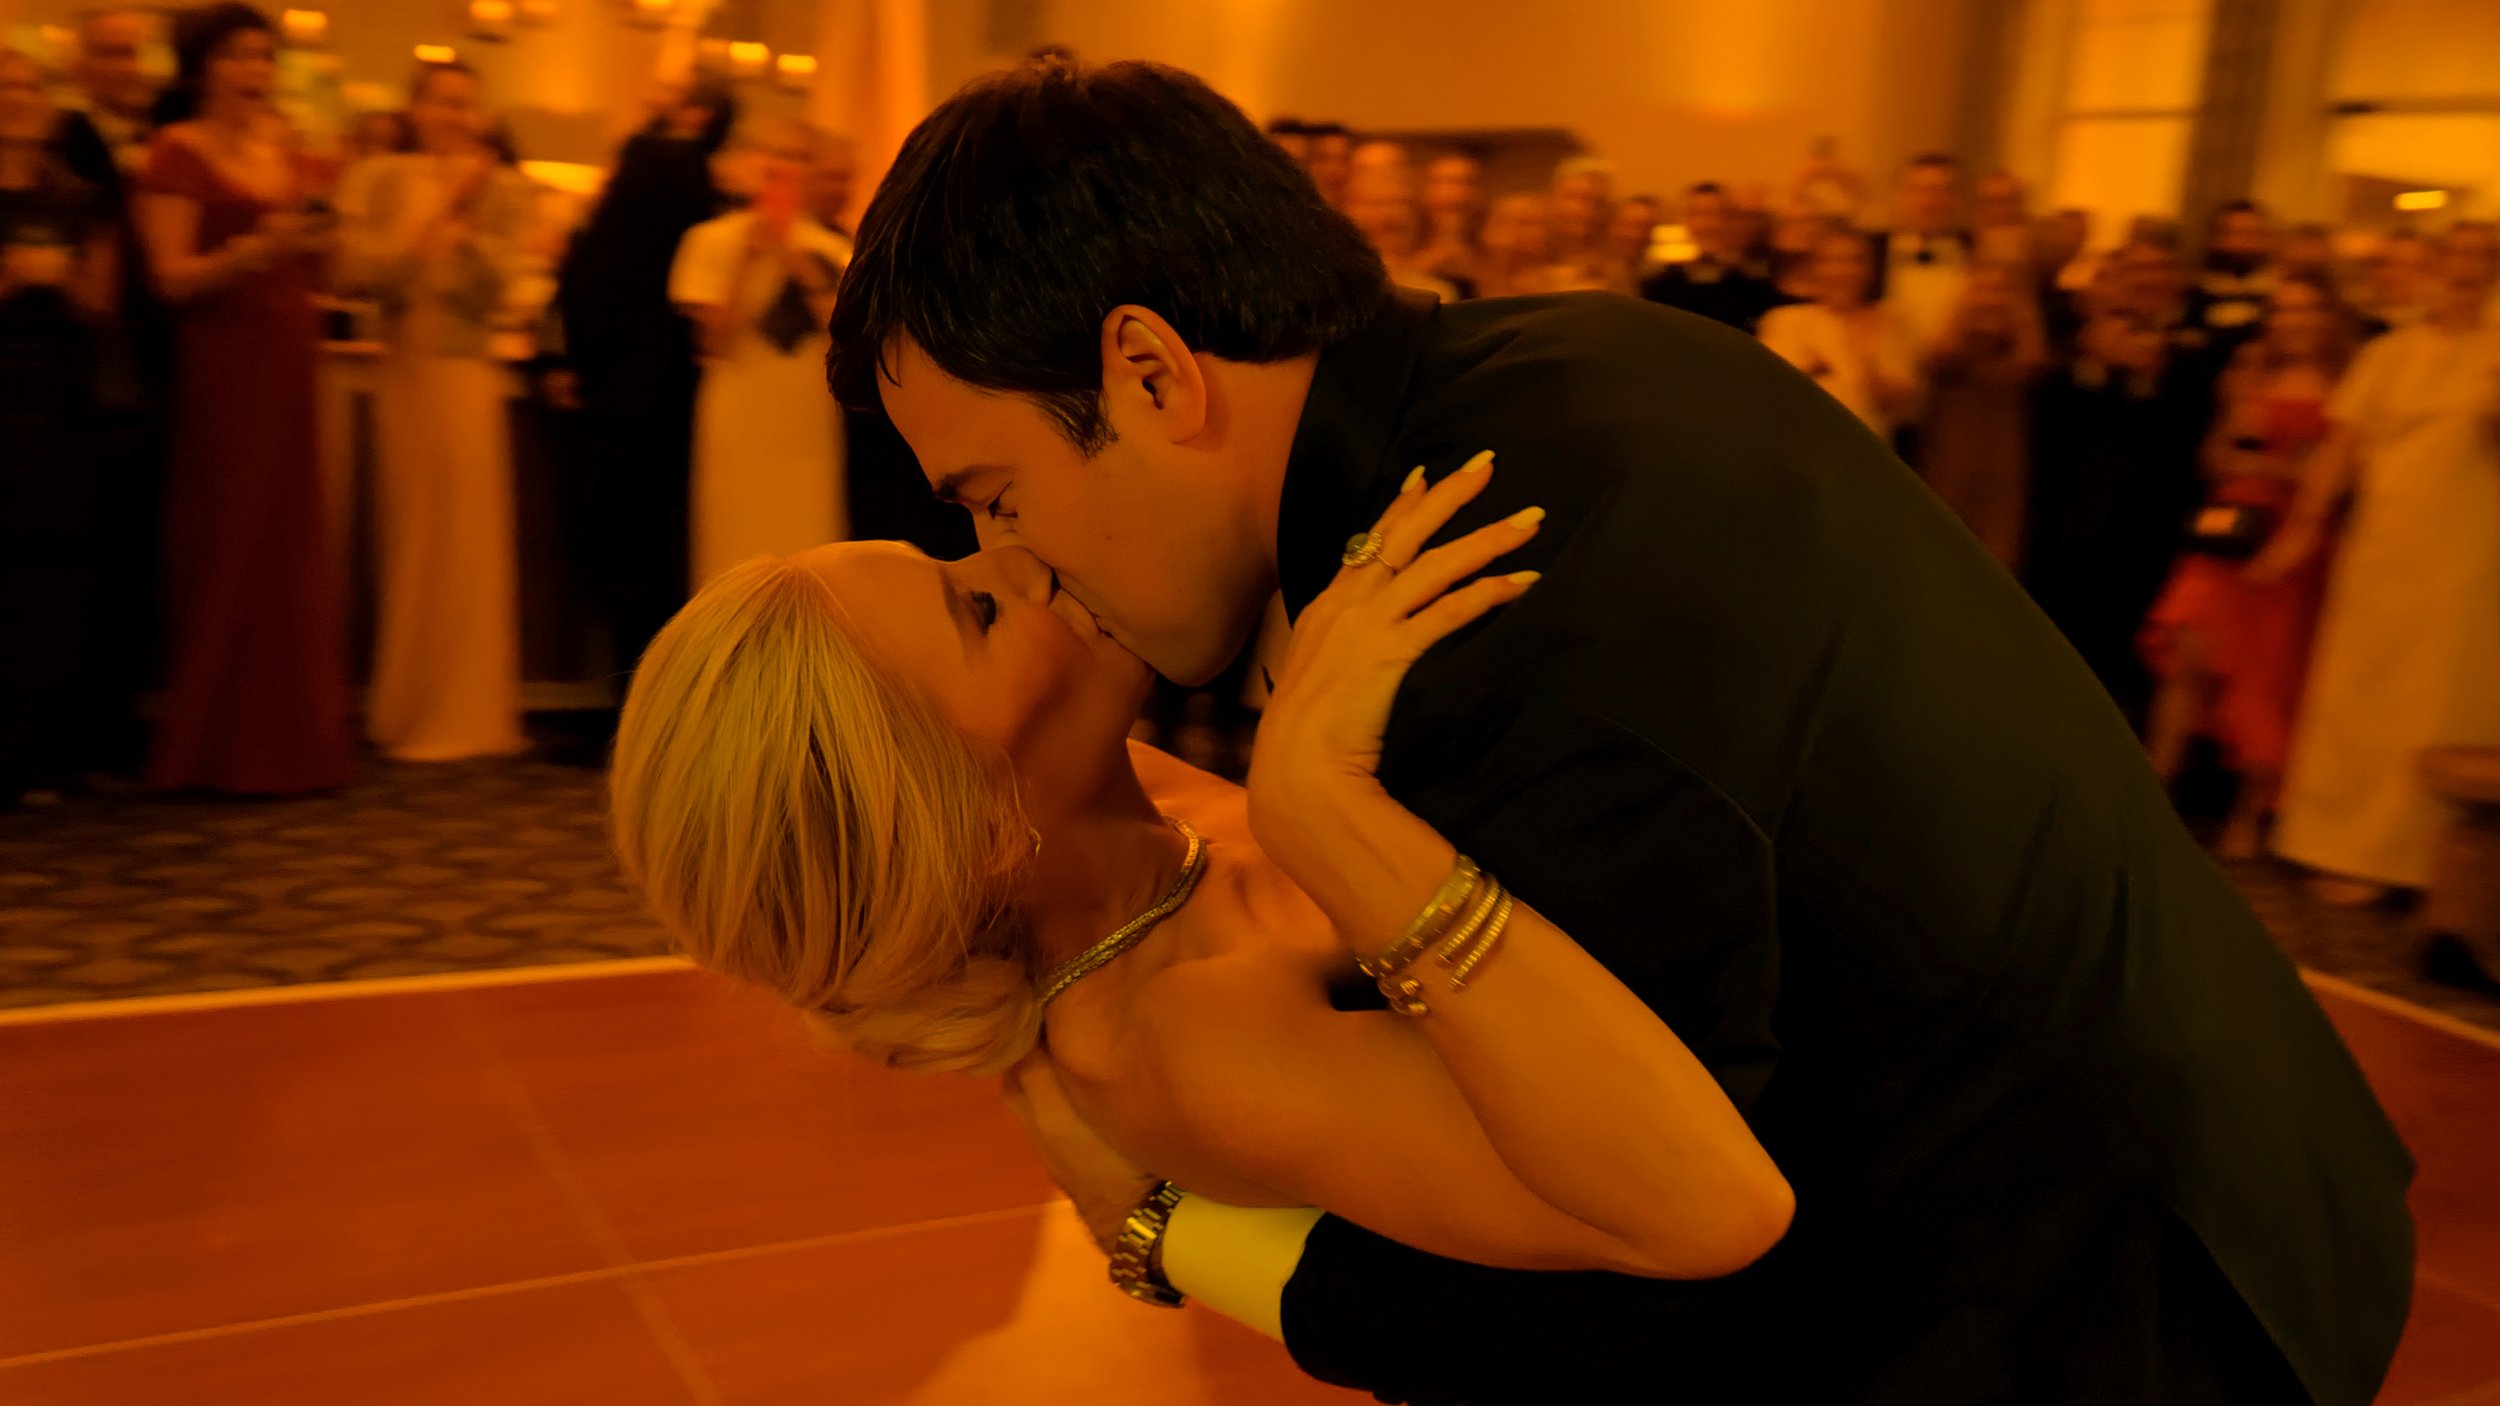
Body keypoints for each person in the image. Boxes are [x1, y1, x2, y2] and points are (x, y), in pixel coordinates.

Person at [818, 60, 2412, 1405]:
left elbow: (1669, 1263)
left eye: (1000, 496)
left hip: (2101, 1307)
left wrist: (1186, 1236)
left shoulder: (1480, 594)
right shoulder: (1566, 365)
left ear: (1153, 372)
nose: (1022, 567)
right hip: (2213, 1164)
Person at [134, 2, 354, 794]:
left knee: (288, 541)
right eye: (236, 57)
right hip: (222, 360)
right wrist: (263, 245)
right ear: (201, 66)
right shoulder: (176, 151)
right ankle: (215, 746)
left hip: (290, 353)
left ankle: (290, 742)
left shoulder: (287, 145)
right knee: (227, 535)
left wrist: (324, 244)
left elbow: (319, 269)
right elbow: (171, 277)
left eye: (263, 57)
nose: (254, 72)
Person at [2256, 223, 2500, 907]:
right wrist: (2303, 527)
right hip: (2384, 542)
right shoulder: (2388, 352)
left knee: (2438, 691)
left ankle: (2422, 860)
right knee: (2361, 688)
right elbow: (2342, 446)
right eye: (2458, 254)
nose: (2466, 268)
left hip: (2468, 547)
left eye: (2483, 257)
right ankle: (2339, 844)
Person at [332, 58, 532, 762]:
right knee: (410, 534)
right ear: (414, 109)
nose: (455, 118)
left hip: (465, 373)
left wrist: (469, 225)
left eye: (467, 105)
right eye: (442, 103)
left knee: (465, 538)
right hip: (405, 371)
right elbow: (358, 275)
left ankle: (465, 707)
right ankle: (404, 704)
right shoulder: (379, 179)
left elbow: (501, 292)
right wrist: (438, 215)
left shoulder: (505, 190)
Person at [2139, 273, 2350, 860]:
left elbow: (2337, 477)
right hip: (2227, 530)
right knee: (2186, 655)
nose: (2293, 321)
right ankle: (2154, 793)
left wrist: (2285, 469)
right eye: (2283, 310)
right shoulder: (2250, 373)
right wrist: (2283, 459)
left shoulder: (2349, 382)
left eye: (2306, 309)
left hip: (2294, 540)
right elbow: (2214, 457)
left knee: (2269, 675)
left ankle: (2246, 817)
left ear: (2328, 317)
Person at [548, 75, 732, 680]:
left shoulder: (627, 201)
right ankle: (656, 690)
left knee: (618, 554)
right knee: (661, 557)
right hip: (671, 397)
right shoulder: (696, 201)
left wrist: (566, 361)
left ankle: (626, 693)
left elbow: (582, 289)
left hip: (614, 395)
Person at [2025, 237, 2217, 722]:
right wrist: (2097, 369)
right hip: (2071, 532)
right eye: (2136, 269)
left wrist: (2150, 377)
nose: (2147, 279)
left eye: (2160, 268)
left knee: (2132, 666)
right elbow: (2049, 437)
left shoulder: (2194, 356)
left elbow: (2191, 441)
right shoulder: (2072, 352)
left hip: (2153, 533)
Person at [1, 48, 118, 804]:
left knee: (56, 576)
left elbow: (101, 303)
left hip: (63, 395)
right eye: (5, 87)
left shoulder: (75, 196)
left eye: (30, 86)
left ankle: (42, 752)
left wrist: (74, 281)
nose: (20, 99)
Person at [670, 117, 850, 590]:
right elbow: (712, 344)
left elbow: (848, 339)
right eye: (771, 154)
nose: (781, 168)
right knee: (733, 536)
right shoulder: (710, 241)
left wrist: (798, 263)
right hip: (739, 404)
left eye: (796, 157)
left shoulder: (832, 249)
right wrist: (748, 258)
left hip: (804, 412)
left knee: (806, 539)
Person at [1918, 257, 2047, 569]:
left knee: (1997, 551)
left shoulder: (2020, 351)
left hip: (2002, 470)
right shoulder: (1949, 352)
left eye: (2001, 290)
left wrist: (2020, 319)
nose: (1991, 299)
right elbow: (1939, 357)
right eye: (1982, 289)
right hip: (1951, 466)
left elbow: (2033, 363)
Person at [1757, 226, 1921, 439]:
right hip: (1799, 448)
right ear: (1814, 268)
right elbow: (1769, 394)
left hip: (1865, 450)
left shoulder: (1891, 321)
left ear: (1870, 269)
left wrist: (1863, 360)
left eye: (1856, 260)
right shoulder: (1784, 320)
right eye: (1833, 260)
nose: (1845, 271)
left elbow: (1901, 405)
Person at [1640, 182, 1786, 334]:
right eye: (1696, 214)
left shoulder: (1759, 284)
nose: (1706, 225)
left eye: (1716, 214)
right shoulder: (1661, 285)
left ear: (1732, 219)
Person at [1867, 152, 1970, 356]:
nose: (1930, 201)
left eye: (1943, 191)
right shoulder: (1869, 252)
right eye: (1918, 190)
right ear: (1899, 195)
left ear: (1960, 198)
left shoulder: (1979, 252)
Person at [2190, 198, 2276, 352]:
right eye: (2233, 233)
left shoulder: (2278, 296)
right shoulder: (2191, 293)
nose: (2241, 244)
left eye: (2251, 235)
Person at [1415, 153, 1483, 297]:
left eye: (1466, 183)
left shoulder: (1496, 242)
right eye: (1441, 182)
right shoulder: (1403, 242)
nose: (1454, 192)